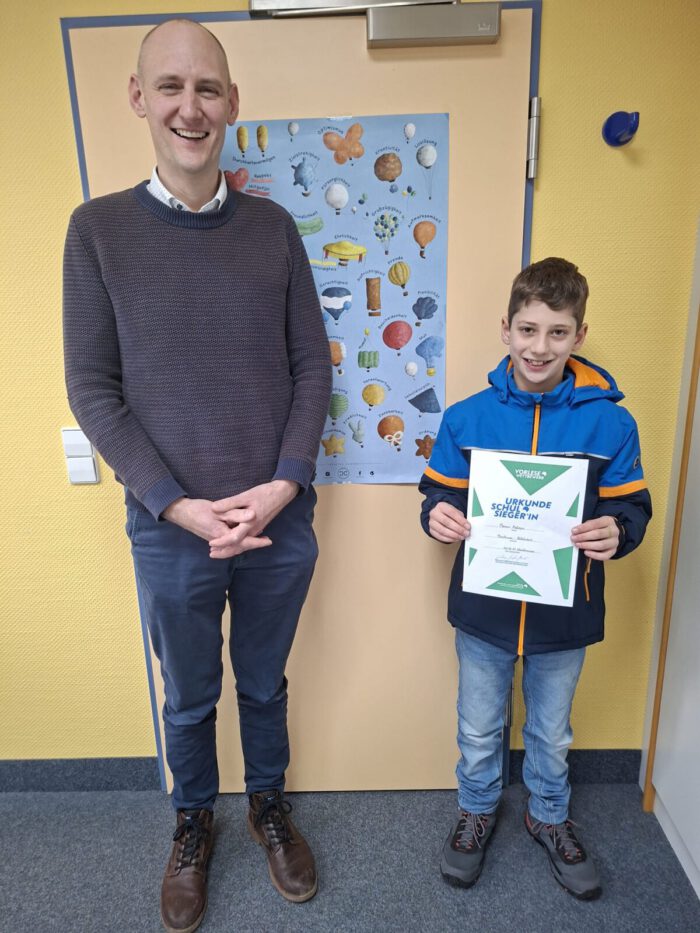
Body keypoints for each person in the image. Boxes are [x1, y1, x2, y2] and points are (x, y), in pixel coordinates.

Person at [63, 19, 331, 932]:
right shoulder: (97, 231)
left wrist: (284, 484)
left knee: (263, 680)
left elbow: (313, 368)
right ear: (139, 98)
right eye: (171, 86)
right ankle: (192, 822)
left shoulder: (274, 229)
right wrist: (176, 504)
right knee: (188, 692)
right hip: (169, 527)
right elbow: (92, 389)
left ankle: (267, 805)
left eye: (208, 87)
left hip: (276, 518)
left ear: (232, 103)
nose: (191, 106)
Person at [419, 257, 651, 899]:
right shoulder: (466, 417)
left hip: (564, 610)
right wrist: (437, 515)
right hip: (484, 610)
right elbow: (437, 494)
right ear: (506, 329)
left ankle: (549, 814)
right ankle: (476, 809)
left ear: (579, 335)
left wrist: (618, 531)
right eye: (528, 329)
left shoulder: (611, 424)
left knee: (551, 730)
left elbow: (631, 508)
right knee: (477, 725)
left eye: (557, 332)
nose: (539, 346)